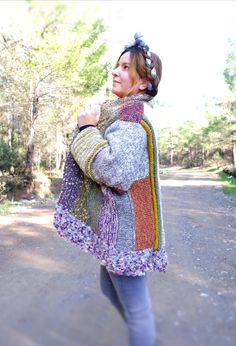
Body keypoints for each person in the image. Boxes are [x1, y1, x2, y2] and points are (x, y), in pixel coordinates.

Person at [54, 32, 167, 346]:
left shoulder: (132, 115)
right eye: (116, 65)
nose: (115, 72)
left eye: (125, 67)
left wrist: (88, 129)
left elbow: (114, 171)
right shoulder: (125, 111)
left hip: (129, 231)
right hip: (126, 224)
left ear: (143, 82)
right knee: (111, 287)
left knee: (137, 308)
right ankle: (142, 334)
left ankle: (142, 336)